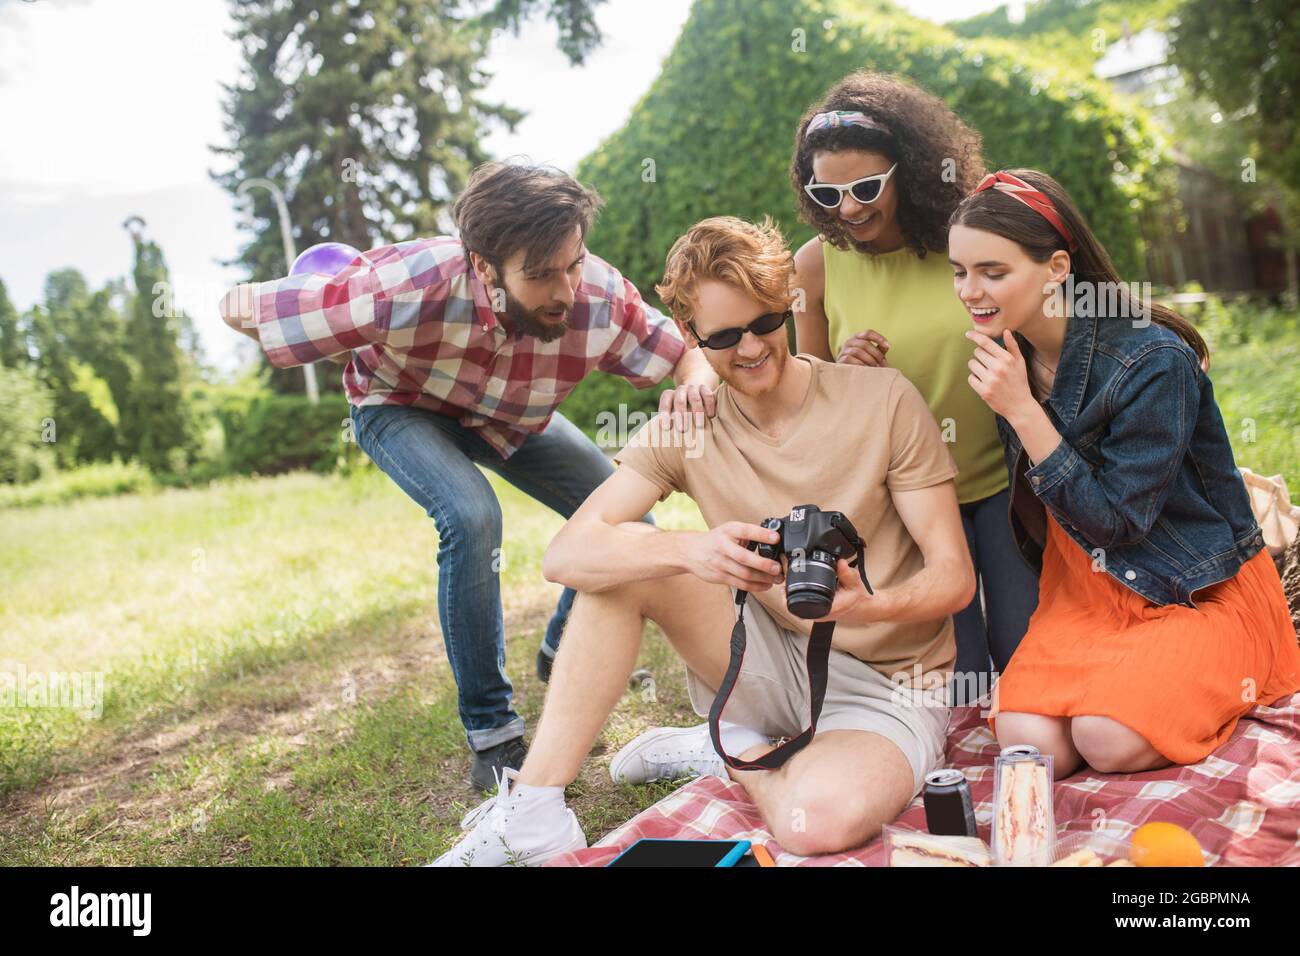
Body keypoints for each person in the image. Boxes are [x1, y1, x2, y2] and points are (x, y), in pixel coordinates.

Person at [430, 216, 974, 865]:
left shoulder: (882, 399)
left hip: (889, 682)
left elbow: (953, 576)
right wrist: (693, 550)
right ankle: (536, 810)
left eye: (765, 323)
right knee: (621, 568)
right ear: (689, 334)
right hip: (768, 656)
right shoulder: (691, 421)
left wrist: (868, 604)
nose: (751, 348)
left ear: (788, 304)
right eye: (723, 336)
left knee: (814, 825)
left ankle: (734, 747)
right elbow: (566, 555)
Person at [218, 162, 718, 791]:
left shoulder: (598, 295)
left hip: (513, 416)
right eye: (541, 275)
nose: (566, 289)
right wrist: (299, 318)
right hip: (402, 408)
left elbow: (688, 354)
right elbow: (243, 306)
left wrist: (695, 388)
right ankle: (494, 735)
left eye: (573, 263)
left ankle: (562, 647)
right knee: (472, 515)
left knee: (628, 518)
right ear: (483, 266)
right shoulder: (401, 286)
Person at [949, 168, 1300, 777]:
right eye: (959, 271)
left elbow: (1119, 522)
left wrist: (1024, 412)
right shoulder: (1010, 354)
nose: (969, 290)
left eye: (992, 272)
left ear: (1057, 268)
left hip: (1189, 591)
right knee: (1030, 745)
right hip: (1083, 595)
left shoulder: (1151, 359)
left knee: (1106, 739)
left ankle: (1204, 681)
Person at [789, 72, 1038, 705]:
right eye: (828, 193)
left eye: (867, 187)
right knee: (960, 679)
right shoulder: (815, 266)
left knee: (1026, 657)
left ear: (913, 172)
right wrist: (845, 374)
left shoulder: (967, 240)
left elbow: (1043, 323)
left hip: (1003, 483)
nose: (849, 209)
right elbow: (809, 396)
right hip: (910, 501)